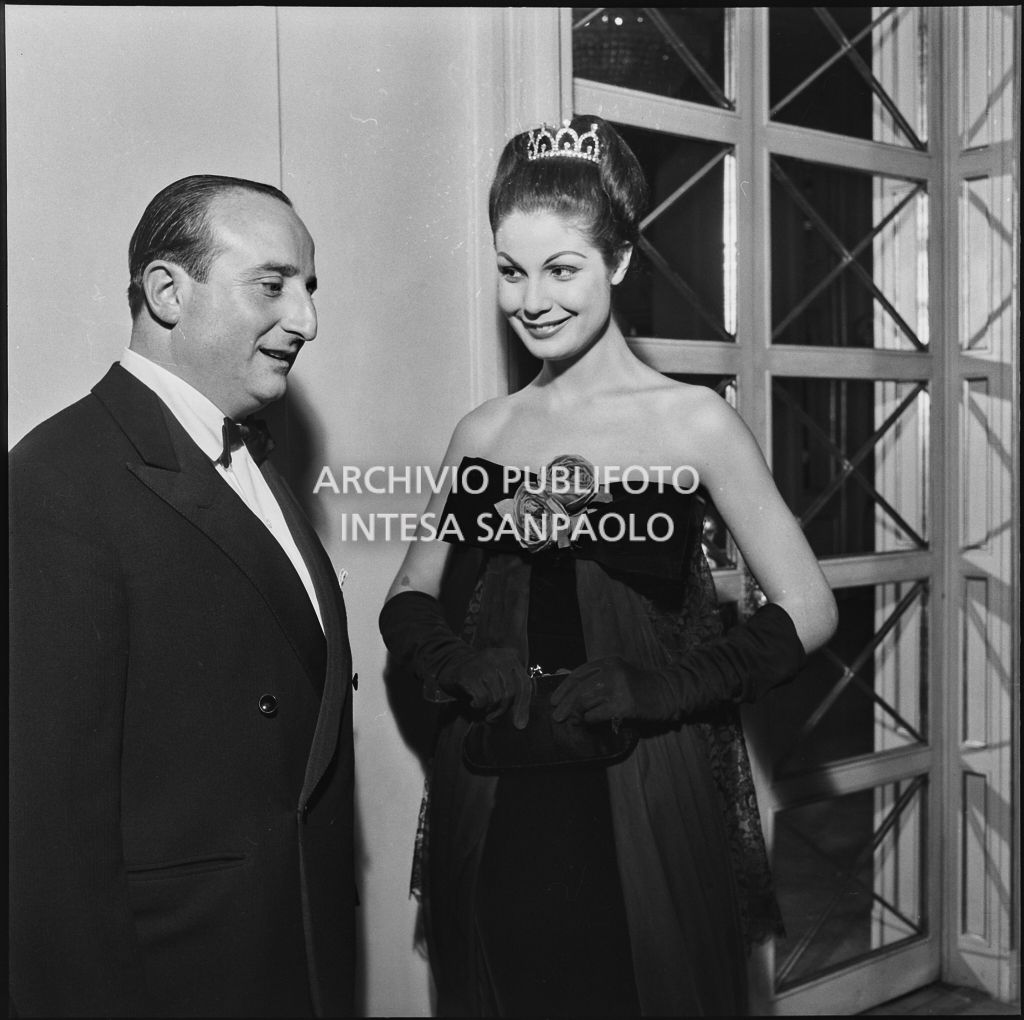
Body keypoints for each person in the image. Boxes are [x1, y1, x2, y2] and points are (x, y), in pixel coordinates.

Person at [378, 117, 838, 1016]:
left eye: (562, 269)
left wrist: (664, 687)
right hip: (494, 780)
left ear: (619, 260)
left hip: (645, 785)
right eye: (511, 271)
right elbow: (408, 593)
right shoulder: (485, 432)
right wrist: (453, 662)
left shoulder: (694, 423)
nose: (531, 300)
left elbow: (809, 608)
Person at [9, 175, 356, 1018]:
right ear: (168, 292)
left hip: (289, 958)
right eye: (272, 285)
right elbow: (46, 843)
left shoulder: (251, 459)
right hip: (179, 977)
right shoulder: (54, 482)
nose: (306, 320)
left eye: (309, 288)